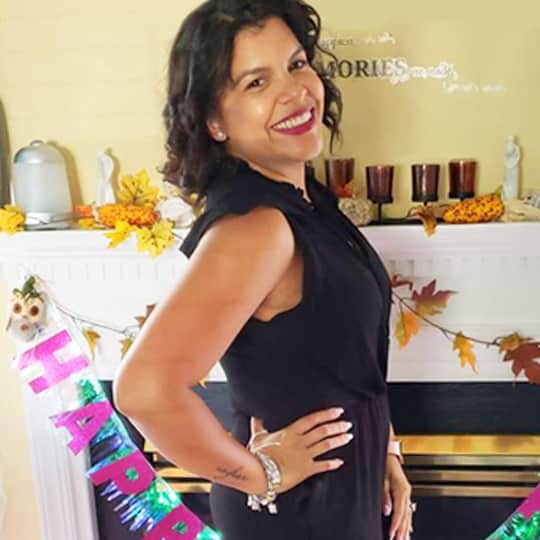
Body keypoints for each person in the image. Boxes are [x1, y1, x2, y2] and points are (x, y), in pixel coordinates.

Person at [113, 1, 413, 539]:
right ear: (213, 121)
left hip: (344, 494)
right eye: (256, 82)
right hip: (301, 514)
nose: (295, 91)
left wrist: (384, 451)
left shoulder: (306, 201)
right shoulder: (257, 228)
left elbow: (346, 363)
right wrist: (261, 475)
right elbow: (142, 391)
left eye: (296, 64)